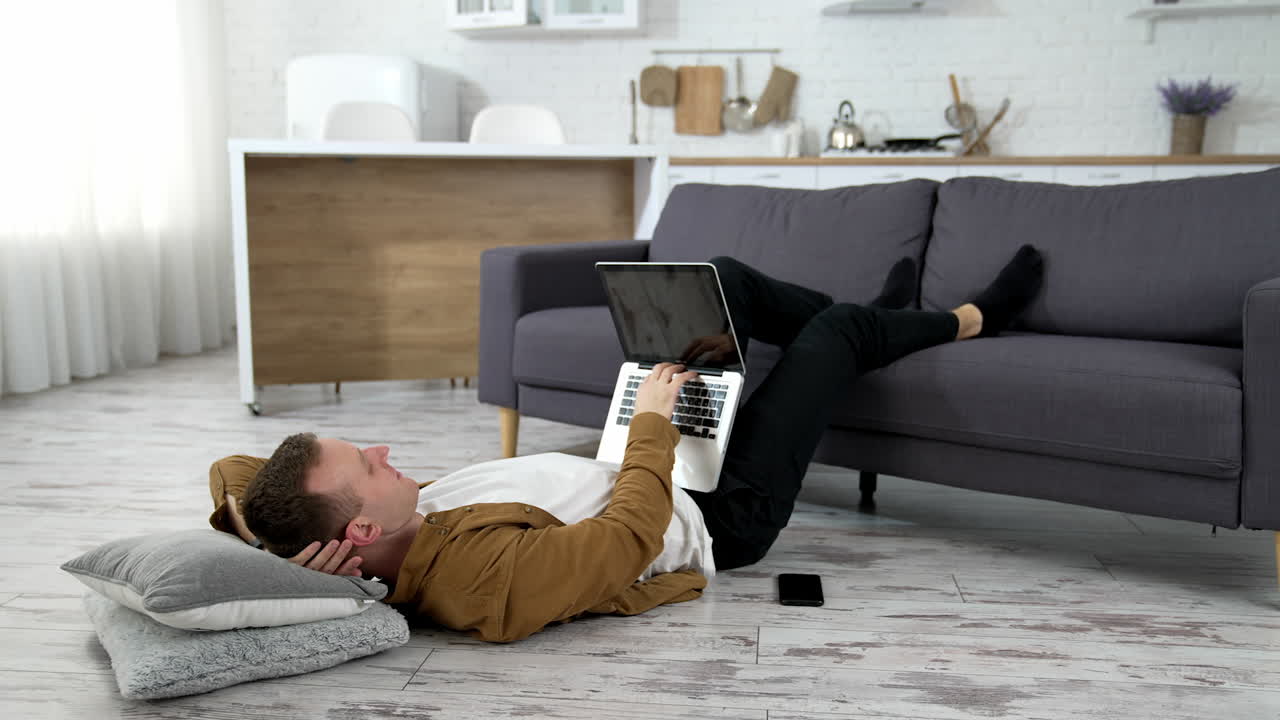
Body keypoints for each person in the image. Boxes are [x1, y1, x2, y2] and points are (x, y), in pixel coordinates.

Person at [207, 248, 1044, 642]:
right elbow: (619, 547)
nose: (384, 450)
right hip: (716, 512)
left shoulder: (397, 521)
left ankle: (873, 322)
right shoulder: (478, 583)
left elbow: (238, 475)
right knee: (832, 331)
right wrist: (652, 424)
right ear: (357, 534)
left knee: (723, 279)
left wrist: (266, 544)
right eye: (367, 464)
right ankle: (964, 320)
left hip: (652, 464)